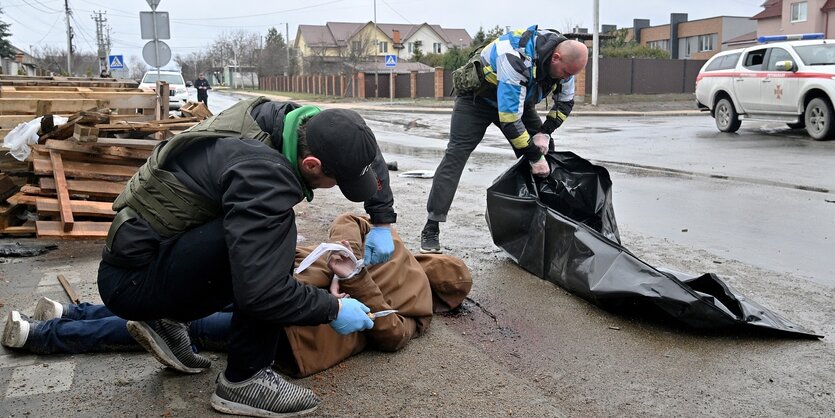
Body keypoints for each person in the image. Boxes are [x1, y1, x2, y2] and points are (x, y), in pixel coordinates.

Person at [96, 97, 399, 417]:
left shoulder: (283, 120)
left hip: (145, 252)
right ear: (312, 165)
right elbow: (263, 293)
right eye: (336, 181)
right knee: (273, 242)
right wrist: (334, 309)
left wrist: (382, 219)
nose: (336, 186)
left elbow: (357, 143)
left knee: (263, 237)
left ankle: (166, 318)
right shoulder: (264, 175)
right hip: (131, 281)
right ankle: (246, 378)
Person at [2, 214, 472, 379]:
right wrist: (347, 256)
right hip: (283, 305)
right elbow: (350, 224)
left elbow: (389, 332)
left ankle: (57, 321)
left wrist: (352, 278)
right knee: (181, 322)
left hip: (282, 303)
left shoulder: (410, 285)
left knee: (175, 316)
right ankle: (49, 329)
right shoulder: (401, 263)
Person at [420, 25, 589, 254]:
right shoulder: (515, 56)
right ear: (556, 57)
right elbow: (509, 120)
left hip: (517, 102)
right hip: (477, 101)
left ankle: (544, 224)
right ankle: (432, 226)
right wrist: (533, 155)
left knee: (546, 154)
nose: (568, 78)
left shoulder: (567, 64)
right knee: (456, 156)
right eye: (567, 73)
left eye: (571, 75)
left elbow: (565, 104)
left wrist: (545, 133)